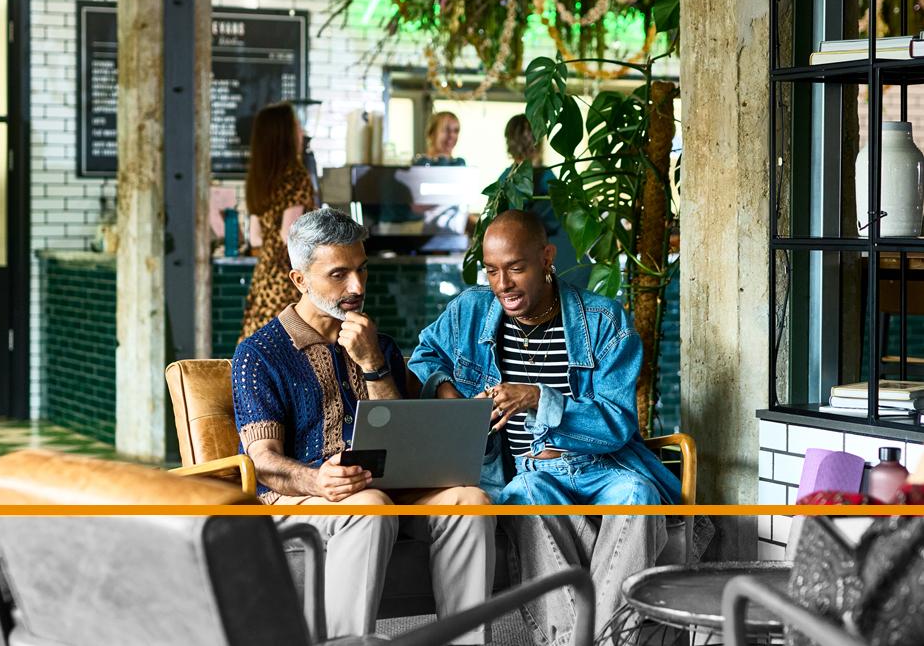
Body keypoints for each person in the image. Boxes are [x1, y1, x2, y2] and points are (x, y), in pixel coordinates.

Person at [408, 208, 676, 640]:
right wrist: (451, 396)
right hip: (528, 473)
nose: (503, 285)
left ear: (546, 258)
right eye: (492, 271)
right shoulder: (468, 312)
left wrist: (538, 399)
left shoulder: (605, 321)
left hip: (602, 466)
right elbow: (423, 359)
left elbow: (617, 424)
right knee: (524, 496)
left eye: (515, 268)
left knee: (639, 494)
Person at [232, 207, 495, 643]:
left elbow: (411, 438)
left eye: (361, 270)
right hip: (301, 498)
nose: (356, 287)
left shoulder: (380, 345)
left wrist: (374, 364)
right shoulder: (259, 354)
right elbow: (263, 462)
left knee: (471, 499)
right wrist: (319, 481)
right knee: (368, 504)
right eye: (338, 274)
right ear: (300, 279)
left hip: (386, 489)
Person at [239, 102, 315, 341]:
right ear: (285, 135)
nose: (302, 132)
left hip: (264, 276)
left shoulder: (259, 179)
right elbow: (289, 234)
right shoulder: (296, 175)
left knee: (260, 349)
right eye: (297, 126)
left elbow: (255, 238)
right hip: (287, 277)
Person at [503, 114, 587, 289]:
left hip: (520, 265)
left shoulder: (504, 180)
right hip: (558, 264)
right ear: (538, 142)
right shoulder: (548, 178)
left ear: (509, 143)